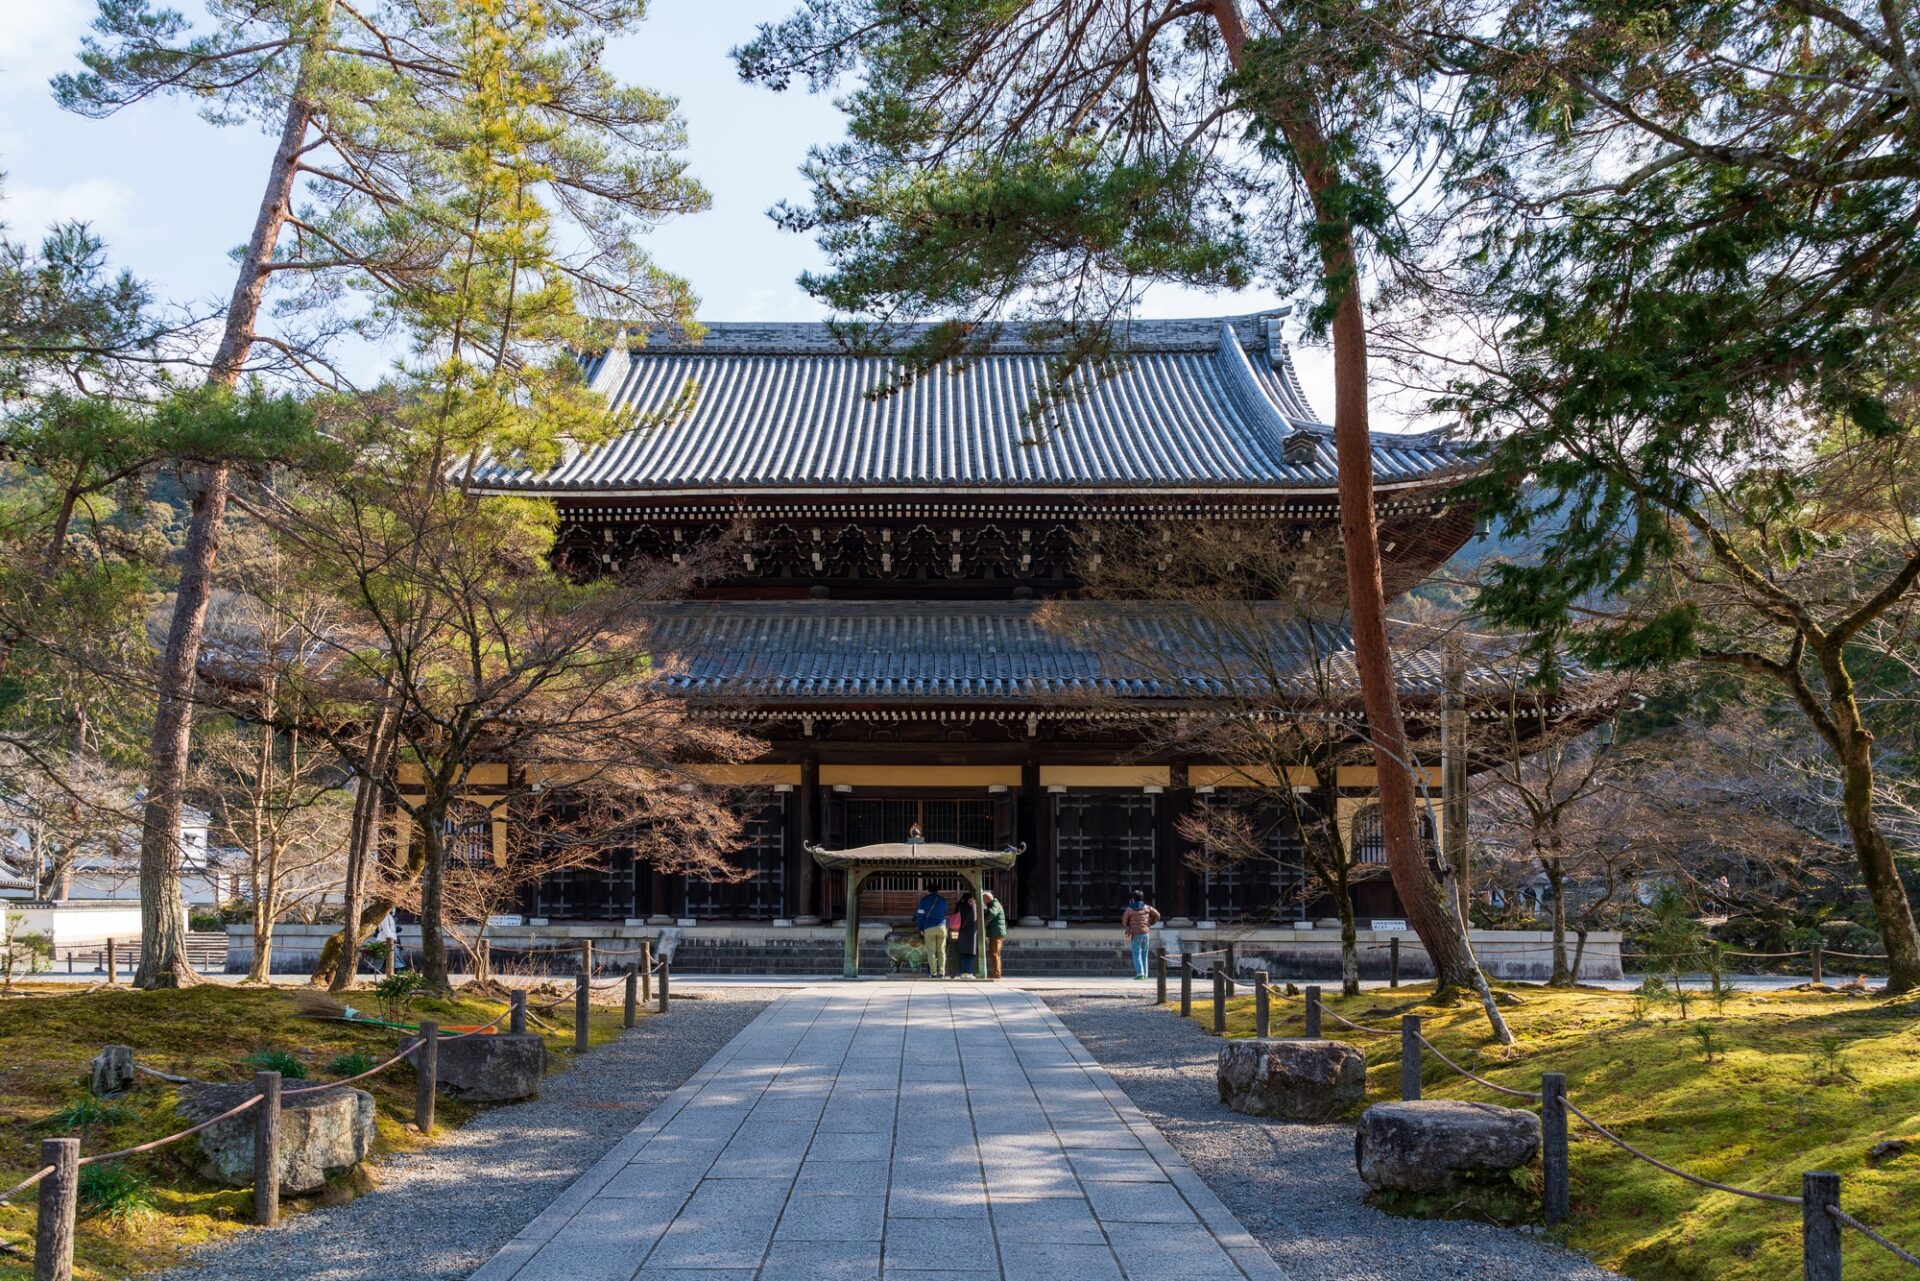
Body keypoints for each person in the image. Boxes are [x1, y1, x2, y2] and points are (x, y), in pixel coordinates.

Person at [1122, 891, 1161, 980]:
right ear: (1142, 898)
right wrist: (1150, 923)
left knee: (1137, 953)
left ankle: (1140, 973)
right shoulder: (1147, 907)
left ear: (1132, 899)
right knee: (1144, 953)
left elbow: (1124, 922)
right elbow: (1158, 915)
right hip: (1146, 933)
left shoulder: (1129, 909)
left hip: (1135, 934)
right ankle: (1145, 974)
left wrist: (1128, 926)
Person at [913, 885, 950, 978]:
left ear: (927, 891)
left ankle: (933, 973)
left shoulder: (924, 900)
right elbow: (946, 912)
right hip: (942, 927)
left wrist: (920, 928)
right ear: (937, 891)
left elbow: (920, 915)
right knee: (941, 951)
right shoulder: (943, 900)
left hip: (929, 927)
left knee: (931, 951)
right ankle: (942, 972)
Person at [981, 890, 1007, 980]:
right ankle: (996, 973)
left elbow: (991, 913)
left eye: (983, 899)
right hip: (995, 932)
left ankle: (996, 973)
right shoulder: (993, 904)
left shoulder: (995, 904)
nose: (983, 901)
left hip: (996, 933)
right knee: (994, 953)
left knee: (994, 953)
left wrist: (983, 919)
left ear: (987, 898)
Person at [953, 890, 979, 979]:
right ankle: (969, 972)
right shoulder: (974, 906)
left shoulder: (959, 906)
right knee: (971, 953)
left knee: (962, 953)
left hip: (961, 932)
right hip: (972, 933)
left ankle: (962, 973)